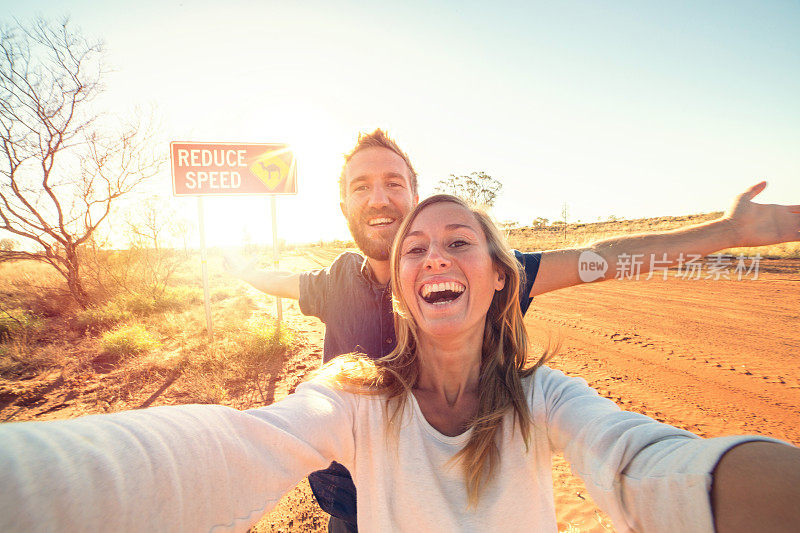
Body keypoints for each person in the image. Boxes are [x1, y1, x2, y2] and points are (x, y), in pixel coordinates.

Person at [2, 194, 798, 532]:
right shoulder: (354, 394)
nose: (432, 254)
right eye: (415, 247)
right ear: (399, 290)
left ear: (499, 276)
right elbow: (239, 445)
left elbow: (639, 459)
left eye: (458, 242)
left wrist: (724, 232)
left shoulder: (544, 395)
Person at [226, 130, 800, 531]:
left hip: (471, 504)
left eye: (394, 183)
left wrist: (726, 234)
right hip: (349, 511)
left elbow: (599, 255)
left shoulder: (482, 270)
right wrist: (240, 268)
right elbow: (277, 283)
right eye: (361, 186)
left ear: (415, 193)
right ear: (343, 204)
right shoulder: (333, 282)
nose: (379, 197)